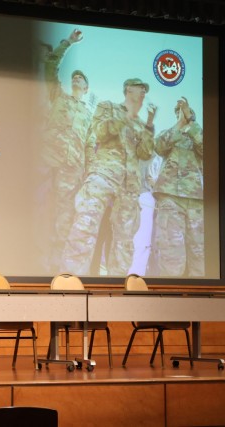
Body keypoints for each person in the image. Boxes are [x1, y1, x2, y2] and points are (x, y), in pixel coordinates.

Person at [61, 78, 155, 275]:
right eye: (140, 88)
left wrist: (149, 125)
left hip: (128, 187)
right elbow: (101, 133)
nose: (144, 93)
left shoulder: (140, 124)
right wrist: (125, 116)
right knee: (85, 228)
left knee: (124, 241)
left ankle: (117, 290)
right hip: (103, 175)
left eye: (145, 90)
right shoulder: (108, 107)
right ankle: (72, 282)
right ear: (128, 89)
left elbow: (145, 153)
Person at [36, 28, 93, 272]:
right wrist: (69, 42)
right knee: (34, 208)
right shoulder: (59, 95)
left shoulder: (91, 116)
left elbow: (93, 148)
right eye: (75, 77)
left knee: (63, 218)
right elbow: (50, 66)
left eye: (82, 78)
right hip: (46, 160)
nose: (77, 78)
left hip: (72, 171)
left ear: (87, 88)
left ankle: (53, 270)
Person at [150, 96, 204, 277]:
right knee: (171, 256)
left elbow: (208, 149)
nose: (184, 115)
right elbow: (158, 146)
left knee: (200, 257)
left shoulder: (199, 135)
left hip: (197, 201)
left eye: (187, 113)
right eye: (179, 113)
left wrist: (192, 124)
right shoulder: (170, 134)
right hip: (170, 198)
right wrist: (180, 124)